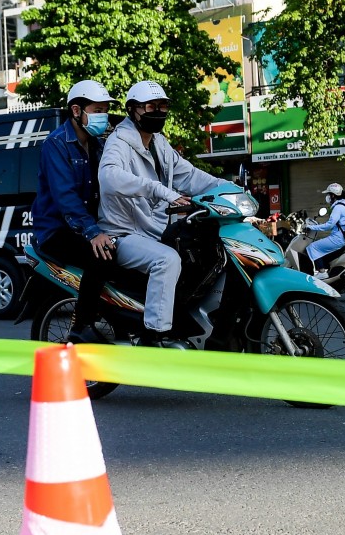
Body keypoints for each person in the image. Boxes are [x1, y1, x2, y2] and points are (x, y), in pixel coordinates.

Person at [98, 80, 220, 348]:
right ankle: (155, 336)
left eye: (162, 106)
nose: (158, 112)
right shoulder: (119, 142)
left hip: (152, 233)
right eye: (150, 106)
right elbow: (108, 178)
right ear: (133, 110)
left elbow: (190, 175)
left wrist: (231, 190)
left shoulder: (160, 144)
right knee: (167, 260)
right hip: (123, 235)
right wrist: (159, 190)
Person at [30, 80, 120, 344]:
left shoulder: (98, 145)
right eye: (97, 110)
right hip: (56, 230)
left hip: (87, 225)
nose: (103, 116)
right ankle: (81, 326)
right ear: (76, 111)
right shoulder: (56, 144)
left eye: (105, 110)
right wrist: (93, 233)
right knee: (101, 257)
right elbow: (65, 196)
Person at [306, 183, 345, 279]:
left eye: (328, 194)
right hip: (341, 237)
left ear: (333, 195)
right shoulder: (343, 204)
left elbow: (329, 225)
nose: (327, 197)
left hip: (338, 238)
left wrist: (311, 227)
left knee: (313, 247)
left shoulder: (338, 207)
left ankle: (322, 272)